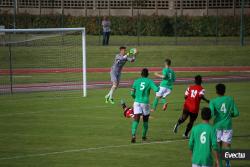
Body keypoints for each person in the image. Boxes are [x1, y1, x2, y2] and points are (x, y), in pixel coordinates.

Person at [209, 83, 239, 167]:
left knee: (217, 147)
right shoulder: (230, 99)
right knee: (227, 146)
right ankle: (228, 162)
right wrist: (229, 115)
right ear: (224, 91)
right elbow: (236, 113)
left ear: (216, 91)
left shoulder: (213, 101)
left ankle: (217, 164)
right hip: (227, 125)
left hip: (217, 126)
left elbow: (211, 114)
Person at [130, 68, 159, 143]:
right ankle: (143, 138)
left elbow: (132, 93)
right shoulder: (149, 81)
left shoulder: (136, 81)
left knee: (136, 119)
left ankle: (133, 135)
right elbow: (156, 90)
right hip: (145, 102)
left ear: (141, 74)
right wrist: (159, 87)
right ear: (147, 74)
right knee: (145, 121)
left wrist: (135, 98)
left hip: (136, 102)